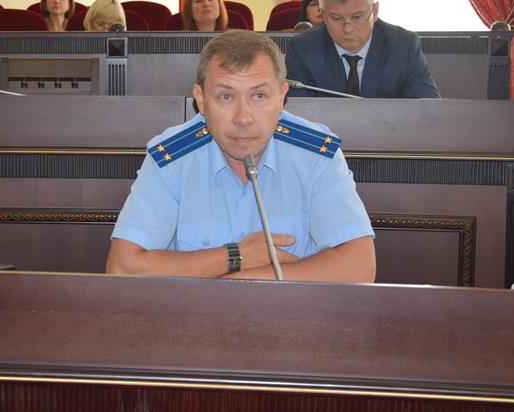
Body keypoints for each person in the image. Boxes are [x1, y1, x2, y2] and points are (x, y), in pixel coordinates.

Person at [107, 30, 375, 282]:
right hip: (197, 314)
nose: (243, 118)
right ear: (201, 99)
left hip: (290, 314)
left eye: (259, 95)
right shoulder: (172, 157)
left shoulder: (314, 155)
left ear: (281, 98)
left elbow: (360, 266)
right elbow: (123, 268)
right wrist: (236, 256)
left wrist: (241, 283)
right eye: (226, 97)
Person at [286, 0, 440, 98]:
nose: (348, 28)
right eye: (337, 19)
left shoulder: (404, 45)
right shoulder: (303, 48)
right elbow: (299, 112)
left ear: (375, 11)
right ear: (323, 15)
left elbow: (427, 109)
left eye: (357, 17)